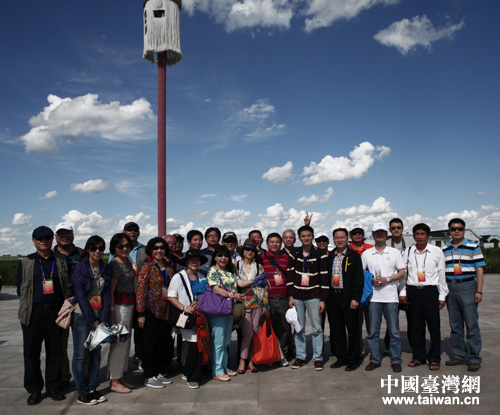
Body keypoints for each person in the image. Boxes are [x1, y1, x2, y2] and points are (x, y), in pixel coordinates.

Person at [17, 226, 71, 405]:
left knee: (55, 351)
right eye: (39, 238)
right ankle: (34, 389)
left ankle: (53, 387)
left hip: (55, 311)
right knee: (32, 353)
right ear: (34, 241)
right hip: (34, 312)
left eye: (47, 237)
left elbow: (67, 285)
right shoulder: (27, 262)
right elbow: (20, 289)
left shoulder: (61, 260)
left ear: (52, 239)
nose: (43, 241)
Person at [400, 223, 448, 370]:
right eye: (417, 234)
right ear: (413, 236)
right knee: (415, 326)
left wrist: (442, 295)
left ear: (428, 236)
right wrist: (403, 292)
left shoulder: (437, 252)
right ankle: (418, 356)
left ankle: (434, 358)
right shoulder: (408, 252)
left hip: (430, 291)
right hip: (413, 291)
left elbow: (441, 274)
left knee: (434, 326)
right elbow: (404, 274)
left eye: (423, 234)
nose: (420, 237)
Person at [72, 235, 112, 405]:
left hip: (98, 316)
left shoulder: (105, 268)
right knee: (81, 355)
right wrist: (91, 321)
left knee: (96, 354)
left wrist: (102, 320)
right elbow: (80, 297)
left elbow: (107, 294)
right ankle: (82, 392)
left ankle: (93, 388)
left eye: (101, 248)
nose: (97, 251)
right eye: (94, 248)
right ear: (88, 249)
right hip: (82, 315)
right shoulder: (80, 268)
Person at [442, 218, 485, 372]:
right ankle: (459, 355)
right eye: (453, 229)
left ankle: (474, 357)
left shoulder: (473, 247)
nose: (457, 231)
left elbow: (479, 269)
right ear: (449, 231)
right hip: (450, 287)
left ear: (464, 230)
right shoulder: (445, 249)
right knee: (455, 324)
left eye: (460, 228)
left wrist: (478, 290)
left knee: (471, 324)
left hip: (467, 286)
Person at [362, 223, 405, 373]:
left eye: (382, 232)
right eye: (377, 232)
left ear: (386, 234)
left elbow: (402, 272)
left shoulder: (394, 252)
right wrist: (371, 278)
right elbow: (362, 272)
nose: (379, 235)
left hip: (391, 297)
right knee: (373, 332)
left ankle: (395, 360)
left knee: (394, 332)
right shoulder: (367, 253)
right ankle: (375, 359)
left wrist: (389, 279)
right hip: (374, 298)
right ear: (372, 235)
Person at [206, 245, 252, 382]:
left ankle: (224, 366)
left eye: (226, 255)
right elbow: (216, 289)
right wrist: (233, 295)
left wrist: (254, 280)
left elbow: (240, 283)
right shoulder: (213, 271)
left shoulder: (229, 272)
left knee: (226, 340)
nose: (223, 258)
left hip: (228, 309)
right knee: (218, 341)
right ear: (215, 257)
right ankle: (217, 370)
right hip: (217, 311)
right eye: (220, 255)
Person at [287, 225, 328, 371]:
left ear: (313, 237)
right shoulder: (295, 252)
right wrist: (290, 296)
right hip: (297, 296)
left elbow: (324, 277)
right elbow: (290, 275)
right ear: (299, 238)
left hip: (314, 296)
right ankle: (300, 356)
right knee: (299, 328)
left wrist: (323, 299)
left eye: (308, 235)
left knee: (317, 328)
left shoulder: (320, 253)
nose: (306, 238)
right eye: (303, 236)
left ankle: (318, 358)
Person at [136, 237, 175, 389]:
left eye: (162, 248)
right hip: (150, 310)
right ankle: (148, 375)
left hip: (165, 311)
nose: (159, 251)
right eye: (156, 248)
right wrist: (141, 313)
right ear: (151, 250)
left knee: (161, 343)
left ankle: (158, 372)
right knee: (149, 344)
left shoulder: (169, 268)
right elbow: (141, 290)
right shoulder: (147, 267)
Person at [168, 249, 208, 389]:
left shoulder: (202, 277)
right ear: (186, 262)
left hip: (199, 317)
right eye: (191, 260)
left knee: (196, 344)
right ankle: (193, 376)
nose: (194, 262)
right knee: (194, 344)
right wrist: (184, 307)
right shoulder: (178, 277)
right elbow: (171, 296)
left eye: (197, 260)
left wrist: (199, 304)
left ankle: (188, 371)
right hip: (185, 315)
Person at [327, 228, 364, 372]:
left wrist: (355, 298)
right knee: (337, 329)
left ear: (347, 238)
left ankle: (354, 359)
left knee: (353, 329)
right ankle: (341, 357)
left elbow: (358, 279)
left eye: (342, 237)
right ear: (333, 239)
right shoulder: (331, 256)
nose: (340, 240)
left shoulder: (353, 256)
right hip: (334, 297)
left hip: (349, 297)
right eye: (337, 237)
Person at [53, 221, 82, 391]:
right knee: (59, 345)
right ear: (56, 236)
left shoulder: (81, 253)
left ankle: (83, 375)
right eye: (61, 233)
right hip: (60, 306)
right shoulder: (51, 256)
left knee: (82, 343)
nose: (65, 236)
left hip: (80, 303)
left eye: (68, 233)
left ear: (73, 235)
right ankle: (64, 377)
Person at [259, 232, 294, 364]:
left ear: (281, 244)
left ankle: (283, 355)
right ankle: (271, 356)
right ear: (267, 244)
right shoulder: (260, 259)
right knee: (268, 329)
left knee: (285, 330)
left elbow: (290, 278)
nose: (274, 244)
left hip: (283, 299)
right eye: (272, 242)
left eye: (277, 242)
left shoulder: (286, 258)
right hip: (267, 301)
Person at [235, 239, 269, 374]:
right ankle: (242, 360)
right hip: (242, 304)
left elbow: (264, 287)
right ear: (243, 251)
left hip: (257, 303)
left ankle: (251, 360)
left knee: (255, 333)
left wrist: (266, 306)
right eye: (247, 249)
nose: (250, 252)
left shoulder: (259, 267)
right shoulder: (235, 266)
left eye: (253, 250)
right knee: (247, 334)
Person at [108, 233, 136, 393]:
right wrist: (112, 311)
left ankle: (120, 376)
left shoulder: (127, 261)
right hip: (120, 306)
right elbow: (111, 291)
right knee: (119, 343)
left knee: (125, 343)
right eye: (120, 246)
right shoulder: (115, 264)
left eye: (127, 246)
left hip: (129, 305)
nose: (124, 249)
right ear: (114, 248)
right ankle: (114, 379)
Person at [383, 218, 412, 356]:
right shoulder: (386, 245)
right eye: (393, 228)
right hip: (392, 284)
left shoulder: (410, 245)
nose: (396, 230)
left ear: (402, 228)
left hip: (408, 284)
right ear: (389, 230)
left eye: (398, 227)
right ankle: (389, 345)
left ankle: (414, 345)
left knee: (412, 319)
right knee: (391, 319)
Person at [349, 223, 372, 357]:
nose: (357, 235)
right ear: (350, 235)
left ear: (364, 234)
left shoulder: (371, 248)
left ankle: (372, 348)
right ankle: (359, 347)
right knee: (356, 323)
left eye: (360, 232)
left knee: (371, 323)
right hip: (354, 292)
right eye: (354, 232)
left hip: (370, 292)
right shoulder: (347, 250)